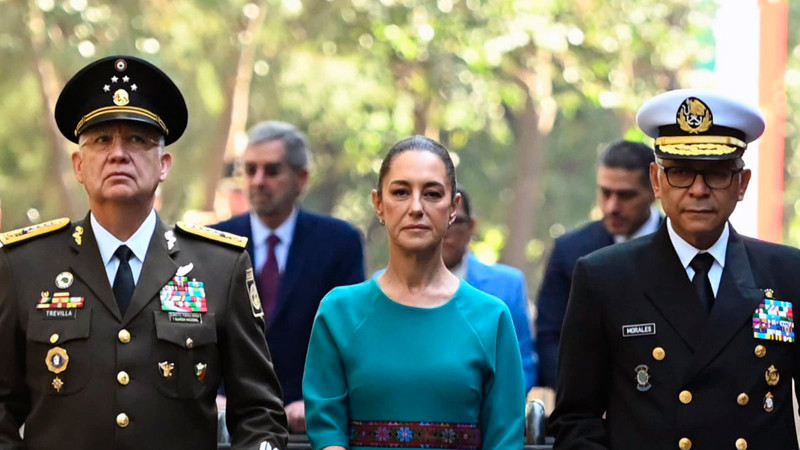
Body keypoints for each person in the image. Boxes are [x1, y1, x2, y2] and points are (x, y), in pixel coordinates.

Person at [0, 56, 287, 449]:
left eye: (138, 140)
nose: (119, 154)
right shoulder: (23, 266)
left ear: (164, 164)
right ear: (79, 165)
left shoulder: (220, 267)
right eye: (102, 140)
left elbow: (259, 414)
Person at [551, 89, 800, 450]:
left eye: (716, 173)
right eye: (681, 172)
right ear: (656, 181)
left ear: (741, 184)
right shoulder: (603, 277)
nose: (698, 190)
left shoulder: (787, 272)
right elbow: (576, 419)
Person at [303, 136, 525, 450]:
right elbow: (327, 431)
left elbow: (505, 438)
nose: (416, 207)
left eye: (432, 194)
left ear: (453, 207)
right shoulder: (339, 311)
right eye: (401, 192)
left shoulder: (491, 317)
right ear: (378, 203)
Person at [212, 120, 364, 433]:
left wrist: (320, 400)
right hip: (229, 426)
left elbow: (352, 338)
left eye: (272, 170)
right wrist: (212, 396)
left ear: (301, 178)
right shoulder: (213, 243)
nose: (258, 180)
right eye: (250, 169)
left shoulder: (339, 243)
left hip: (308, 424)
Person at [536, 140, 660, 387]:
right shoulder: (569, 251)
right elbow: (550, 338)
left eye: (626, 195)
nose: (612, 206)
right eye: (605, 192)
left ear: (655, 189)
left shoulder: (682, 248)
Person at [442, 185, 538, 391]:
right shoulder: (385, 288)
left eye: (455, 221)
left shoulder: (507, 285)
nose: (445, 231)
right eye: (439, 219)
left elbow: (523, 364)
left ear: (471, 227)